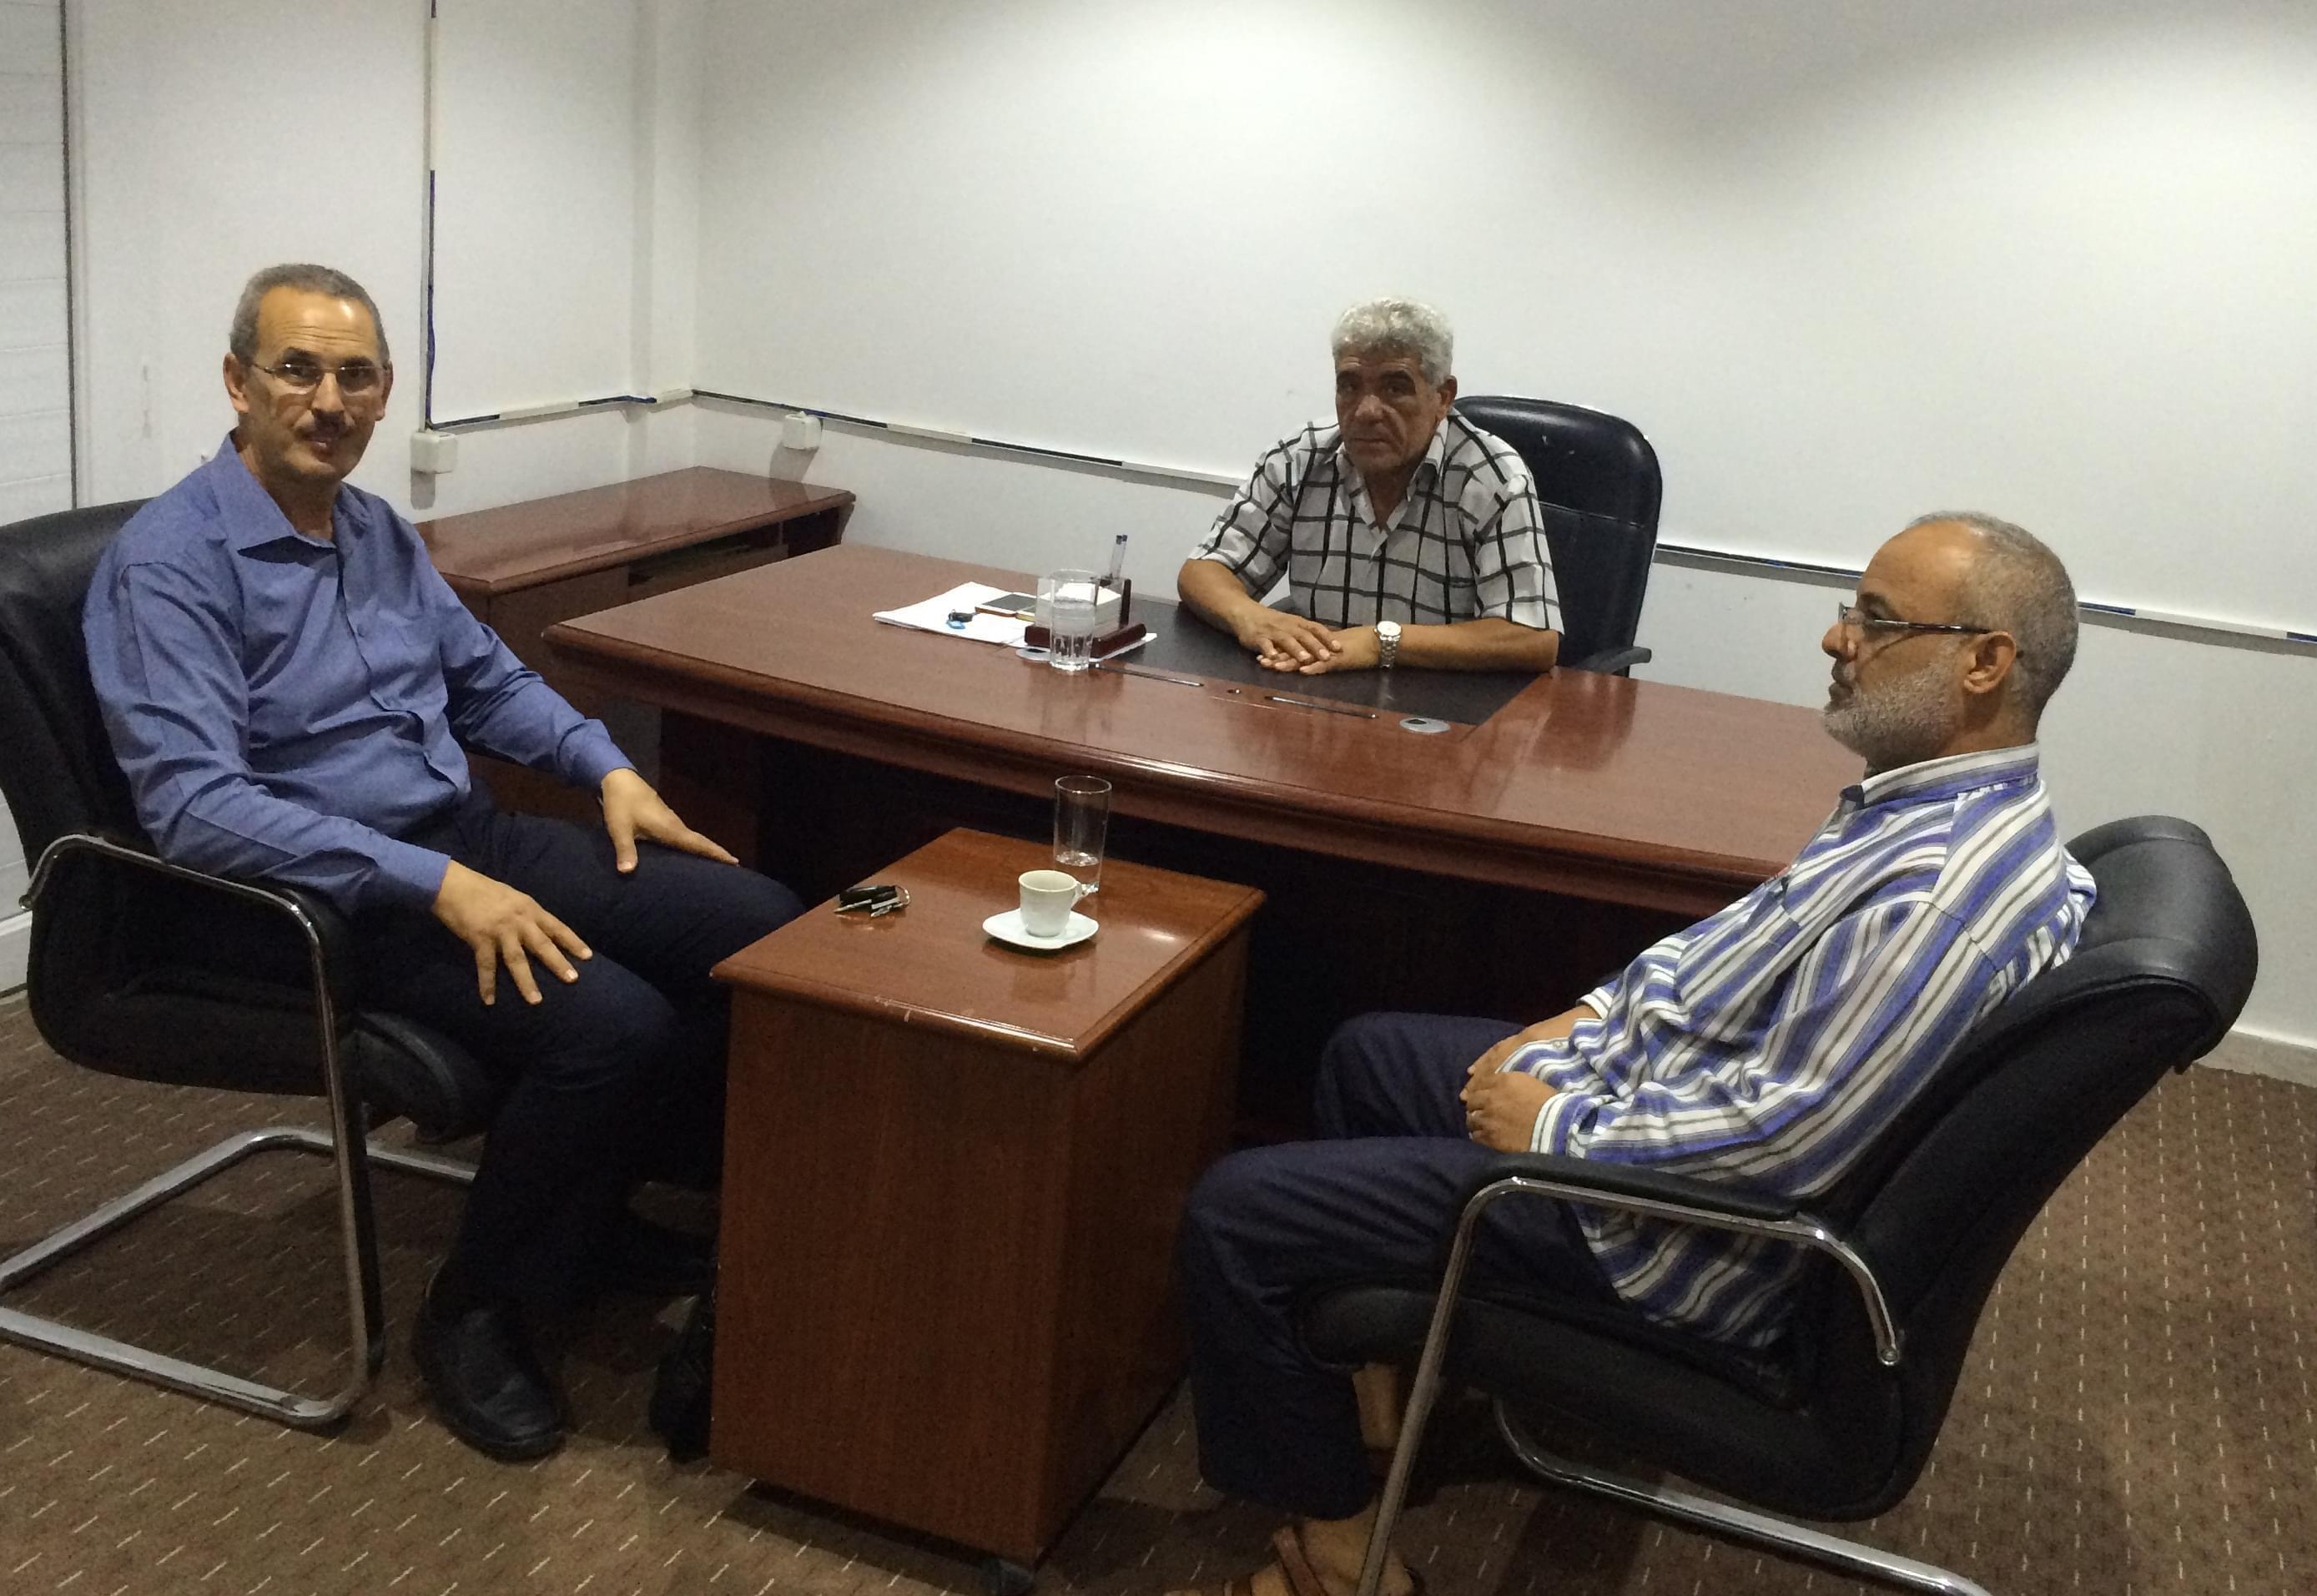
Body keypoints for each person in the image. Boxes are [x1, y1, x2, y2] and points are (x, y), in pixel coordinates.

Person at [1171, 513, 2093, 1596]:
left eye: (1877, 621)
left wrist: (1555, 1124)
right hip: (1652, 1102)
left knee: (1234, 1213)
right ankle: (1379, 1405)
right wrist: (1587, 1015)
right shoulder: (1941, 808)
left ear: (1985, 662)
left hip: (1666, 1235)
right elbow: (1727, 955)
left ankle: (1342, 1561)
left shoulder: (1932, 900)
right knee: (1366, 1054)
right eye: (1850, 610)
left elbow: (1783, 1142)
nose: (1836, 638)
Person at [82, 263, 803, 1462]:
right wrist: (434, 884)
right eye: (297, 370)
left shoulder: (371, 529)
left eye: (356, 376)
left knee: (761, 927)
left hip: (460, 833)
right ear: (237, 383)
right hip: (316, 898)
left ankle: (587, 1210)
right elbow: (197, 807)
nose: (329, 401)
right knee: (613, 1027)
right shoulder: (171, 563)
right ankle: (476, 1307)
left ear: (383, 392)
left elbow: (484, 680)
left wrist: (604, 767)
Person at [1177, 298, 1560, 676]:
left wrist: (1380, 643)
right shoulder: (1300, 457)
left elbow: (1532, 638)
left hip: (1441, 698)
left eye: (1395, 388)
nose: (1366, 411)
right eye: (1350, 386)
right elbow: (1203, 570)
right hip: (1314, 687)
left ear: (1442, 397)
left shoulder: (1490, 476)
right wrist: (1251, 617)